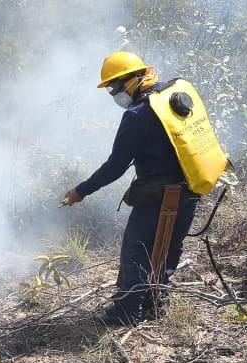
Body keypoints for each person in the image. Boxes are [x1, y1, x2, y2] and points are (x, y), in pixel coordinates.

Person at [61, 51, 223, 326]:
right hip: (191, 189)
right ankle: (155, 303)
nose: (113, 93)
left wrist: (81, 191)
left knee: (136, 250)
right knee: (170, 246)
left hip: (160, 194)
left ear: (134, 78)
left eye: (114, 86)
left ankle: (127, 313)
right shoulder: (172, 95)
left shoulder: (138, 114)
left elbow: (116, 166)